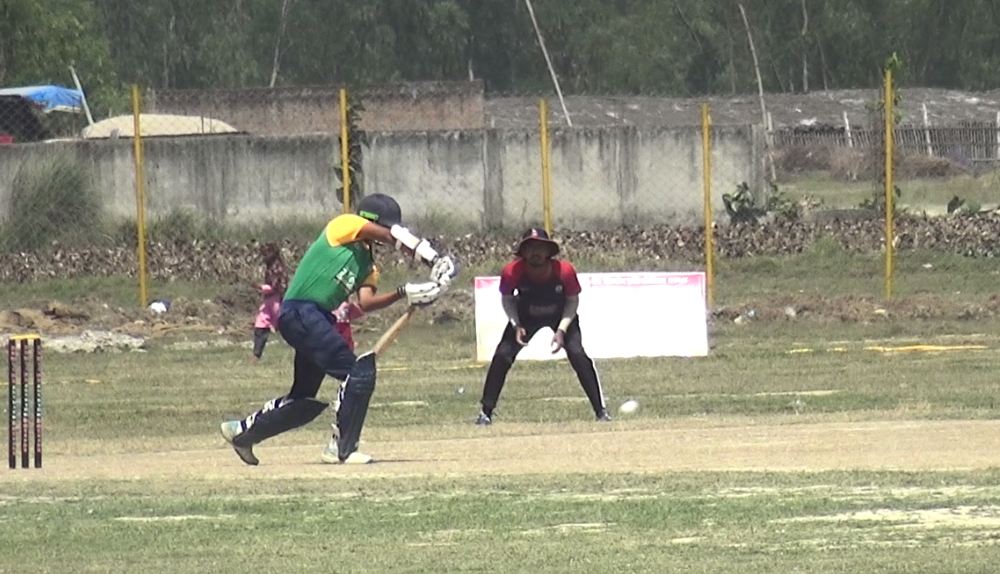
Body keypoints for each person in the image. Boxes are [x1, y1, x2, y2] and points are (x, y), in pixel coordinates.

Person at [221, 193, 456, 465]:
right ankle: (341, 448)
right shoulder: (344, 225)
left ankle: (241, 432)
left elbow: (366, 303)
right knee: (357, 374)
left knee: (302, 398)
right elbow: (392, 236)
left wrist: (404, 292)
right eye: (386, 227)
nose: (387, 234)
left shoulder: (368, 265)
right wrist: (433, 258)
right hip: (301, 310)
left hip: (315, 318)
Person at [476, 227, 609, 425]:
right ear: (523, 252)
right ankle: (485, 413)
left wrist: (562, 329)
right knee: (502, 355)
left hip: (561, 315)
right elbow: (507, 298)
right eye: (530, 248)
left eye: (540, 247)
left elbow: (572, 301)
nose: (535, 252)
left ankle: (600, 412)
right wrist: (516, 324)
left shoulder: (564, 271)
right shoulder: (512, 271)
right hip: (526, 316)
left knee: (577, 354)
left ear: (548, 251)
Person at [251, 242, 288, 362]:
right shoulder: (270, 266)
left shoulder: (277, 268)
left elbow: (278, 286)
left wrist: (260, 287)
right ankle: (256, 355)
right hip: (268, 301)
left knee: (286, 326)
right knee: (260, 325)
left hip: (277, 300)